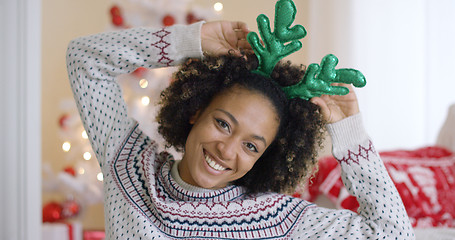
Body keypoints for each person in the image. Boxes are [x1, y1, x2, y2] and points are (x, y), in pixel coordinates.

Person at [66, 21, 415, 239]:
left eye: (251, 146)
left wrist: (351, 134)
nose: (227, 150)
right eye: (223, 124)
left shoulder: (275, 219)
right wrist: (191, 40)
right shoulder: (128, 166)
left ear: (264, 157)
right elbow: (84, 60)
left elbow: (391, 234)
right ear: (196, 111)